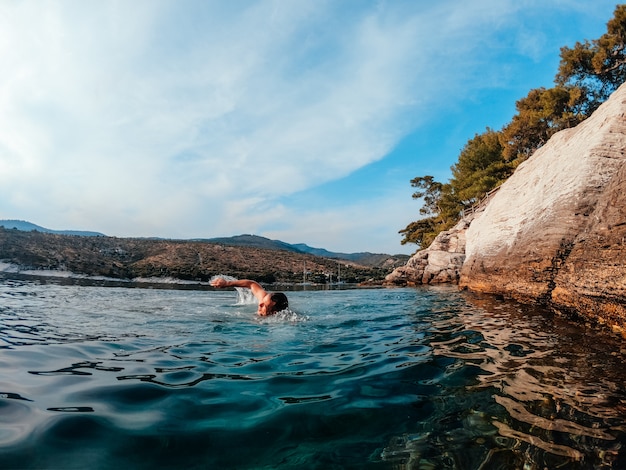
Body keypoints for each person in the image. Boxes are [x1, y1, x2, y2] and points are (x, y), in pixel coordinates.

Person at [210, 277, 288, 316]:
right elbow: (251, 284)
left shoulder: (283, 319)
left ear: (274, 313)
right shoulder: (264, 300)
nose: (260, 304)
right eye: (262, 301)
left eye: (264, 305)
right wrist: (227, 283)